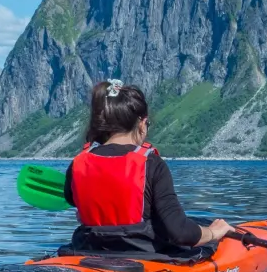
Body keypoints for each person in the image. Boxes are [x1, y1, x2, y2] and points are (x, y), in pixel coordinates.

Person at [63, 80, 235, 255]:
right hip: (141, 254)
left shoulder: (78, 162)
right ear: (141, 123)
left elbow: (73, 200)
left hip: (88, 251)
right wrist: (213, 232)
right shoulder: (152, 164)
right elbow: (180, 232)